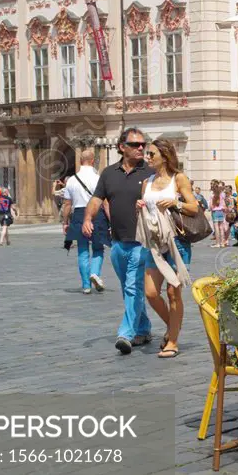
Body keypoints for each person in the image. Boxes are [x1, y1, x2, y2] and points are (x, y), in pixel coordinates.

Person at [84, 127, 152, 356]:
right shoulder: (108, 173)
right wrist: (87, 218)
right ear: (122, 147)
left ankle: (126, 334)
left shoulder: (150, 173)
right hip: (118, 242)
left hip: (142, 242)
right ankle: (143, 327)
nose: (141, 148)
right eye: (135, 144)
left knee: (133, 287)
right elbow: (96, 199)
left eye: (143, 144)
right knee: (128, 289)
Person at [139, 139, 199, 359]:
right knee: (151, 293)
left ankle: (172, 340)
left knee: (173, 293)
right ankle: (173, 325)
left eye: (151, 154)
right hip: (154, 243)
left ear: (164, 155)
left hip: (176, 243)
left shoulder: (178, 179)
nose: (147, 157)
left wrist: (176, 203)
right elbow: (148, 209)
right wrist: (140, 206)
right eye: (147, 153)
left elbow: (194, 207)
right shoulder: (147, 182)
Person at [62, 149, 110, 294]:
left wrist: (65, 222)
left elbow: (67, 204)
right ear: (92, 160)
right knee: (98, 248)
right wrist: (111, 220)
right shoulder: (98, 178)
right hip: (97, 214)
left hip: (78, 214)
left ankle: (86, 285)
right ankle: (95, 273)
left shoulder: (71, 180)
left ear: (80, 160)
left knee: (82, 251)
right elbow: (106, 202)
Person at [209, 182, 229, 248]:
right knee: (221, 227)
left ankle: (217, 243)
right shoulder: (222, 195)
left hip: (215, 212)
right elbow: (224, 204)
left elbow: (211, 206)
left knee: (216, 228)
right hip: (221, 211)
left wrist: (211, 209)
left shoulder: (212, 195)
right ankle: (222, 243)